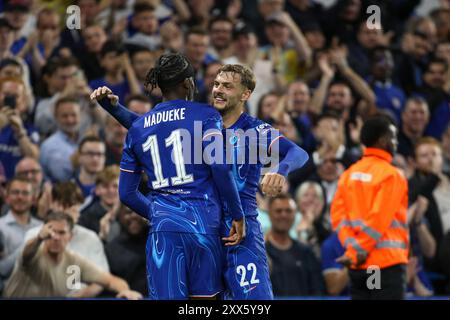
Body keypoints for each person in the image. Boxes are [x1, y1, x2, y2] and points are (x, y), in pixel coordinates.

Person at [93, 63, 310, 300]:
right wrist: (116, 110)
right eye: (216, 84)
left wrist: (280, 169)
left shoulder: (254, 130)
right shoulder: (200, 120)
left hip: (241, 231)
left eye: (227, 86)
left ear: (246, 94)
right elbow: (150, 126)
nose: (218, 90)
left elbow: (298, 153)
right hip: (204, 226)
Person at [91, 53, 246, 300]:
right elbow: (220, 167)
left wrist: (156, 212)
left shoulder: (138, 130)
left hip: (164, 229)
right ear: (187, 83)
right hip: (204, 225)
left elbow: (127, 193)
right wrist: (238, 214)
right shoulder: (207, 116)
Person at [331, 115, 409, 300]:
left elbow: (338, 218)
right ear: (382, 140)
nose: (396, 142)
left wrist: (352, 250)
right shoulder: (391, 175)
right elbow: (378, 220)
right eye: (393, 137)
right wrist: (358, 251)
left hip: (359, 267)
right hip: (384, 265)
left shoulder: (349, 174)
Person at [2, 211, 142, 299]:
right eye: (51, 232)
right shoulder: (34, 253)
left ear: (70, 237)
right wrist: (39, 238)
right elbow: (27, 253)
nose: (55, 237)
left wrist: (125, 291)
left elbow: (112, 281)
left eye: (61, 233)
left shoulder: (74, 261)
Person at [265, 193, 324, 297]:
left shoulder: (306, 252)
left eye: (288, 211)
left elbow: (317, 290)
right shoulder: (261, 253)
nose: (284, 215)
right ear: (269, 214)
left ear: (295, 214)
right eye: (278, 211)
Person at [0, 177, 41, 292]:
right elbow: (2, 270)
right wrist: (33, 243)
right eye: (15, 192)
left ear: (33, 199)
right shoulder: (0, 227)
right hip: (11, 292)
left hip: (42, 292)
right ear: (7, 198)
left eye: (25, 193)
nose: (20, 197)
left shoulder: (42, 227)